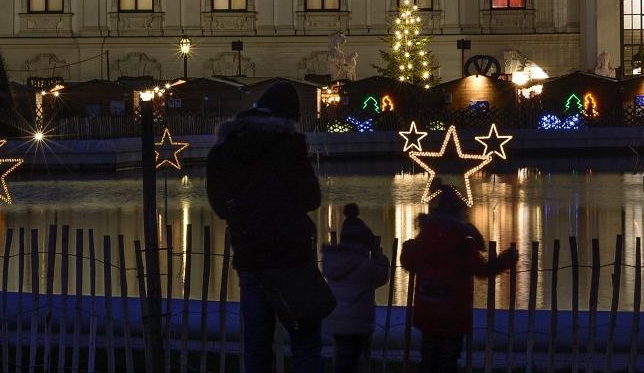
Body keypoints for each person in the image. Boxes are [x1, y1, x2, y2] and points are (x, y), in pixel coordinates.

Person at [207, 82, 323, 373]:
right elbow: (311, 198)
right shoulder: (289, 147)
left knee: (256, 343)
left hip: (250, 256)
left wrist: (242, 215)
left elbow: (220, 203)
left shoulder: (225, 148)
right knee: (305, 341)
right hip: (291, 259)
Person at [399, 187, 518, 371]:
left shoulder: (422, 241)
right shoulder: (463, 244)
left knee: (428, 359)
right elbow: (482, 270)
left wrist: (407, 248)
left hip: (427, 311)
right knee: (448, 360)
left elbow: (407, 262)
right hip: (453, 315)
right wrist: (505, 260)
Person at [322, 204, 389, 373]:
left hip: (336, 321)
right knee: (352, 361)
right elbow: (381, 277)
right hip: (358, 322)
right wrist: (379, 255)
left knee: (342, 358)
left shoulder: (333, 262)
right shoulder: (365, 266)